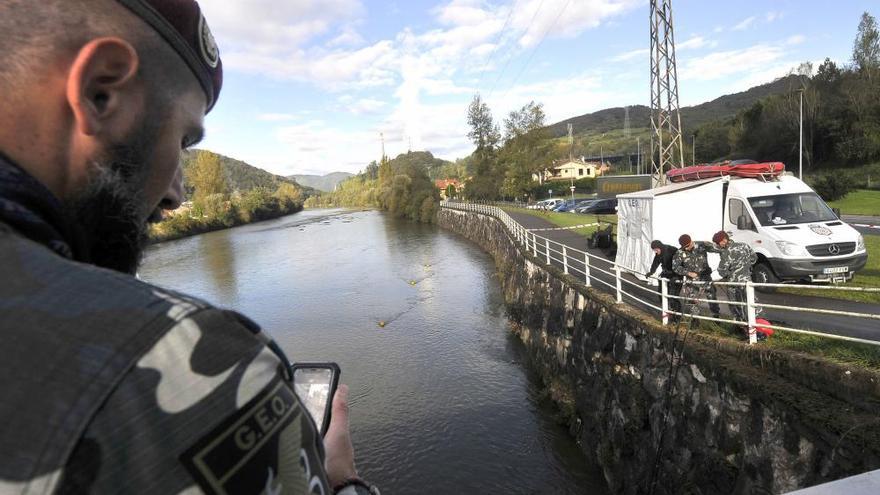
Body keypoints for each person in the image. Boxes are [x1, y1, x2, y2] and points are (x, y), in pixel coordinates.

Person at [0, 1, 374, 494]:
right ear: (100, 91)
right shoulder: (194, 363)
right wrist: (336, 484)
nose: (175, 195)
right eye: (181, 140)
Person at [712, 230, 758, 324]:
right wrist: (745, 268)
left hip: (733, 284)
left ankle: (741, 326)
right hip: (747, 281)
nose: (718, 245)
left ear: (724, 240)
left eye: (718, 243)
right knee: (751, 302)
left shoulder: (726, 252)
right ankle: (758, 325)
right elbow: (754, 258)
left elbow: (721, 271)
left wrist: (728, 274)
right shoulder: (744, 245)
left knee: (736, 305)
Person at [672, 234, 721, 320]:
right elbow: (675, 267)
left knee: (711, 296)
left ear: (691, 242)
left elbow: (719, 249)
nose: (686, 248)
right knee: (692, 300)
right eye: (684, 247)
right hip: (691, 280)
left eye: (687, 246)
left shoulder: (702, 245)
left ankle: (716, 317)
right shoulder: (680, 252)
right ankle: (695, 319)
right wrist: (688, 273)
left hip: (705, 277)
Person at [646, 240, 682, 320]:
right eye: (654, 250)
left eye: (656, 249)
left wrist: (677, 276)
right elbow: (656, 262)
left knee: (673, 296)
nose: (655, 252)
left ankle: (677, 317)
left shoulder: (672, 250)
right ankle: (666, 310)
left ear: (659, 247)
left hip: (676, 275)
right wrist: (651, 272)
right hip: (666, 274)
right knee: (661, 293)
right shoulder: (659, 253)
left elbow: (682, 263)